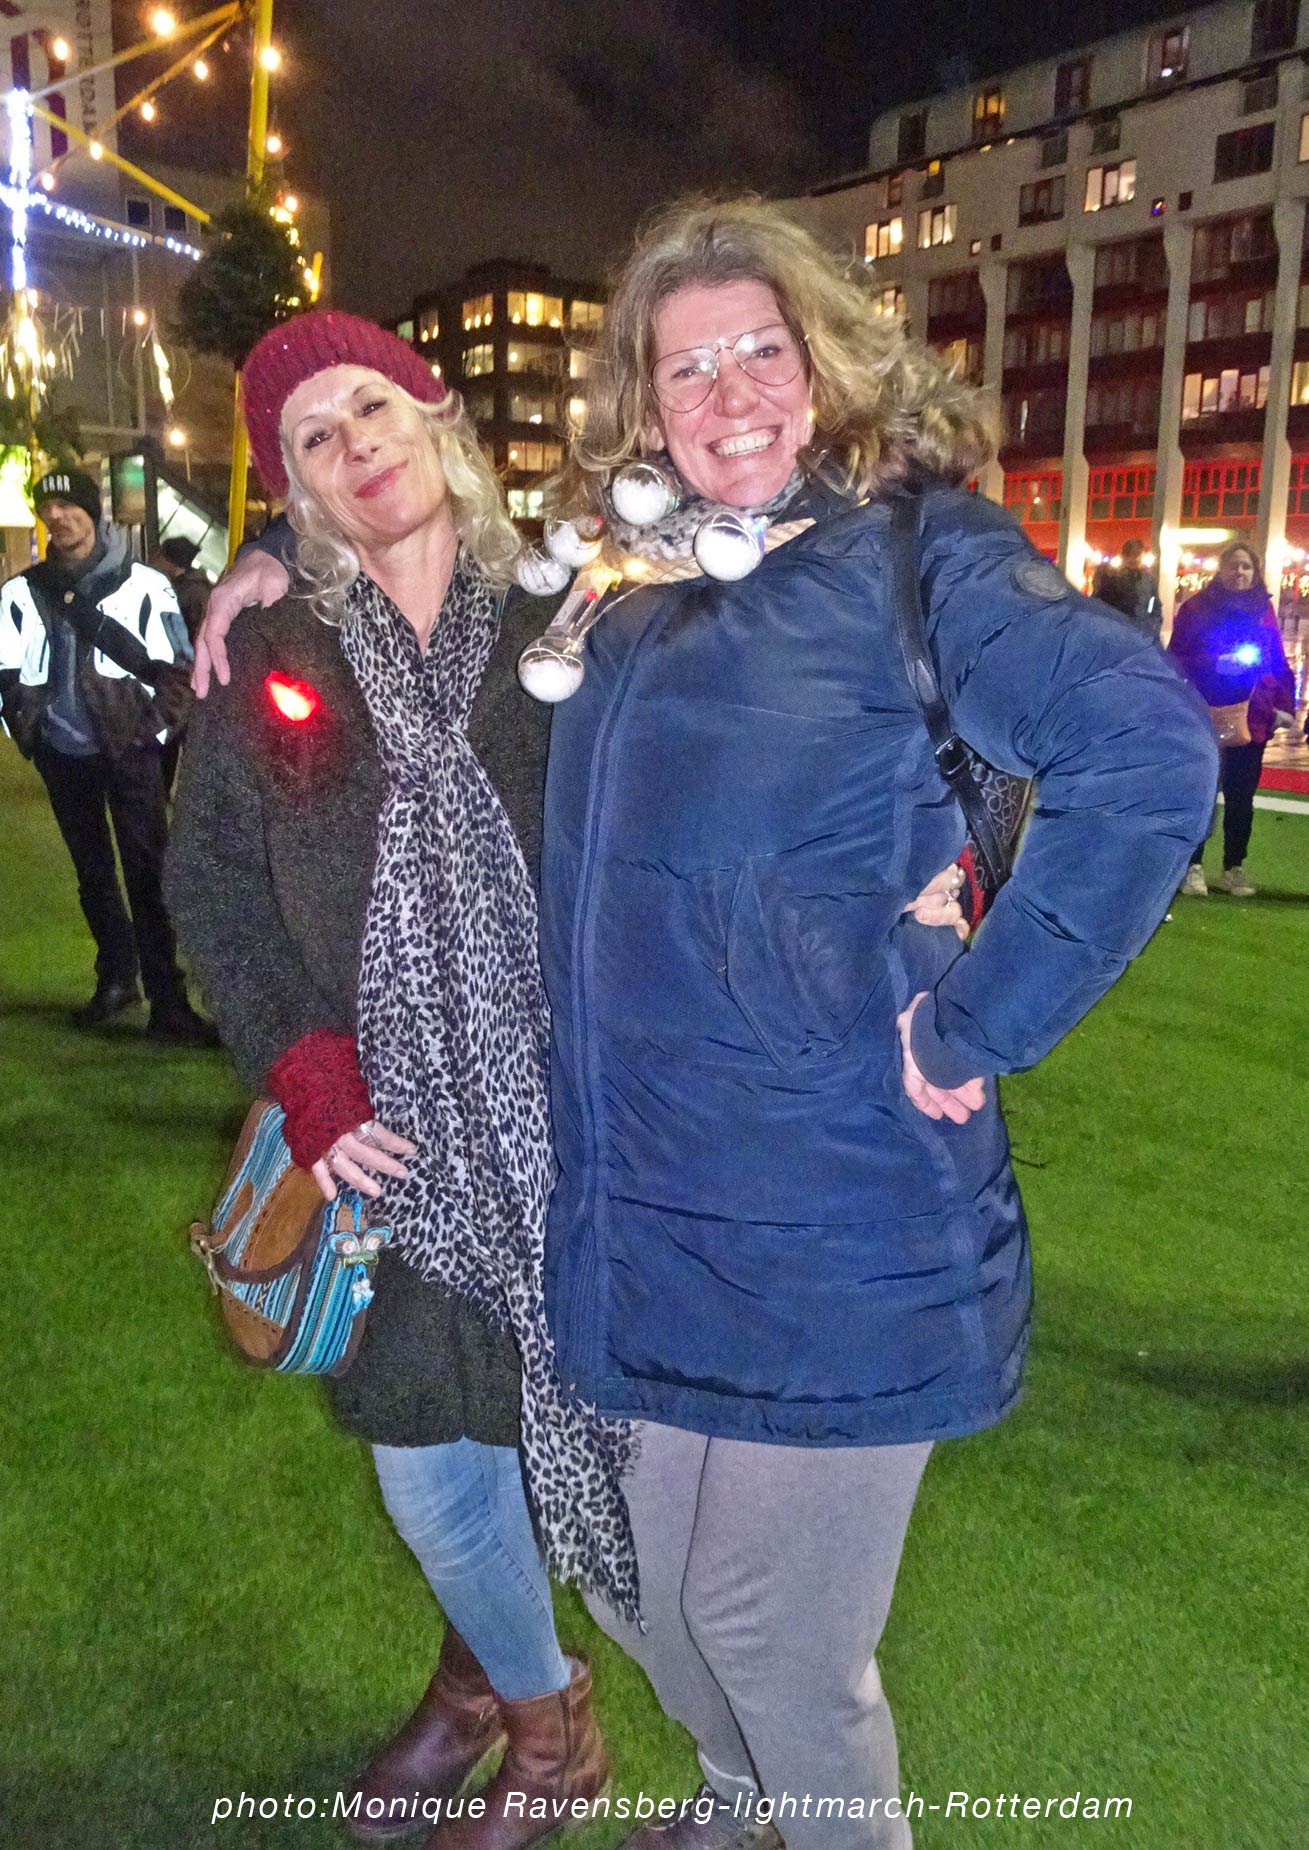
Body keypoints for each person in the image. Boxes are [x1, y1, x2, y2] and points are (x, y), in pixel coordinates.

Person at [523, 199, 1215, 1850]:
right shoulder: (625, 596)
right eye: (686, 367)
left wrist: (973, 1020)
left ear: (826, 359)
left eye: (761, 349)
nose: (729, 393)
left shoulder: (918, 552)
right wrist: (282, 564)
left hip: (839, 1206)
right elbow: (418, 577)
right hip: (643, 1204)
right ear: (641, 407)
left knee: (768, 1631)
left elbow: (1143, 750)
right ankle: (744, 1808)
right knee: (635, 1593)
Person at [166, 311, 634, 1850]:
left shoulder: (572, 613)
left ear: (434, 416)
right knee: (433, 1457)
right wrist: (308, 1068)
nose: (354, 442)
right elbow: (215, 884)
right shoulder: (275, 653)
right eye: (314, 437)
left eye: (370, 404)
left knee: (547, 1435)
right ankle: (552, 1731)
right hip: (382, 1136)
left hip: (579, 1123)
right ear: (294, 489)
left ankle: (475, 1677)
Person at [0, 466, 210, 1041]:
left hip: (130, 751)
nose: (57, 516)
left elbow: (179, 671)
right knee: (92, 873)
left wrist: (152, 736)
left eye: (69, 506)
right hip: (62, 753)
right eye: (47, 508)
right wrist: (31, 729)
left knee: (148, 874)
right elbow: (7, 670)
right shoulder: (20, 592)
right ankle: (116, 979)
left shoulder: (146, 585)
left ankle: (168, 1001)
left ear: (93, 511)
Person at [1168, 539, 1296, 898]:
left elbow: (1276, 660)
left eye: (1246, 566)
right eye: (1233, 565)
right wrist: (1215, 664)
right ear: (1220, 569)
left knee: (1242, 795)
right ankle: (1191, 865)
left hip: (1252, 716)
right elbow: (1175, 659)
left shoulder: (1263, 611)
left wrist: (1284, 704)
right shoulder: (1196, 608)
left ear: (1255, 572)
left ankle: (1233, 866)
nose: (1239, 572)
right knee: (1202, 793)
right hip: (1205, 713)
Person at [1092, 538, 1161, 640]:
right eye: (1133, 554)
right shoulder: (1113, 578)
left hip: (1140, 631)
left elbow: (1155, 605)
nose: (1136, 559)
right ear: (1125, 556)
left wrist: (1153, 626)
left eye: (1138, 554)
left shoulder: (1148, 579)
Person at [152, 535, 211, 645]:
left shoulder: (192, 591)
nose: (156, 559)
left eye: (161, 556)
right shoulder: (185, 585)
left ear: (170, 561)